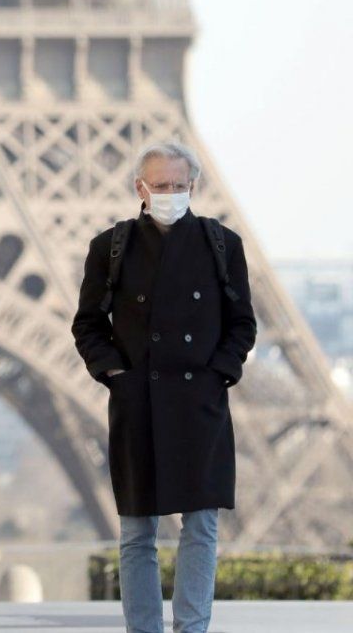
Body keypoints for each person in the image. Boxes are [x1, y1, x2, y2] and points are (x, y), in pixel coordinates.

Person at [71, 141, 256, 633]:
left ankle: (191, 628)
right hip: (139, 404)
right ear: (141, 188)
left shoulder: (223, 244)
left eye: (179, 185)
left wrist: (219, 372)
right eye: (162, 185)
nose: (171, 194)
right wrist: (116, 374)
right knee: (136, 532)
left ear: (192, 187)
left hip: (200, 405)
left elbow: (243, 324)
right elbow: (88, 324)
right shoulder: (110, 247)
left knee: (201, 527)